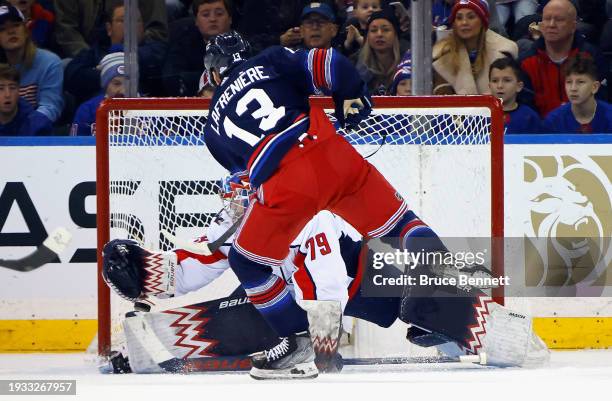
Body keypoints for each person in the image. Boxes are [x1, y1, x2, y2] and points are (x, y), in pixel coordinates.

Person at [201, 31, 548, 379]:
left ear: (215, 74)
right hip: (331, 153)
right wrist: (350, 97)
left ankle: (296, 339)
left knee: (247, 263)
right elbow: (329, 62)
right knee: (401, 223)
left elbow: (248, 176)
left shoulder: (212, 125)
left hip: (286, 187)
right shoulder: (270, 59)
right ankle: (441, 269)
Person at [519, 0, 609, 117]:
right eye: (547, 19)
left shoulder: (592, 56)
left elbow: (602, 101)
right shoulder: (525, 62)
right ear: (540, 25)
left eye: (559, 20)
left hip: (585, 131)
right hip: (540, 132)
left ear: (573, 26)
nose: (551, 24)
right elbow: (524, 108)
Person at [64, 3, 166, 105]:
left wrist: (111, 66)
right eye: (122, 21)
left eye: (136, 21)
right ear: (109, 28)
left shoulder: (154, 51)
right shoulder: (94, 52)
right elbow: (72, 76)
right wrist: (109, 74)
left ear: (142, 27)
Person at [433, 0, 518, 95]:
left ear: (482, 21)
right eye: (459, 18)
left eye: (471, 17)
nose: (464, 22)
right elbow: (442, 95)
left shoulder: (504, 51)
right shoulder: (442, 54)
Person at [0, 3, 63, 123]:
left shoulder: (49, 62)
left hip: (35, 134)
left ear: (26, 30)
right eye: (2, 29)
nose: (11, 32)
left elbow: (50, 107)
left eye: (16, 25)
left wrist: (26, 129)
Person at [162, 0, 232, 96]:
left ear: (230, 19)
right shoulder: (183, 45)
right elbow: (171, 78)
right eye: (206, 15)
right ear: (196, 21)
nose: (212, 19)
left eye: (219, 14)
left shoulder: (244, 45)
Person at [54, 0, 167, 58]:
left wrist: (124, 55)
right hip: (86, 53)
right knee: (65, 67)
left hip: (136, 52)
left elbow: (157, 30)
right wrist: (88, 57)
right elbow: (66, 29)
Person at [544, 55, 612, 133]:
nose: (573, 88)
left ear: (595, 87)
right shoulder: (554, 121)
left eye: (580, 82)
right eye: (569, 82)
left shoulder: (610, 116)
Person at [355, 8, 409, 95]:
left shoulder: (409, 64)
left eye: (386, 30)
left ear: (395, 35)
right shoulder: (354, 64)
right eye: (373, 30)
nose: (379, 34)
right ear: (367, 36)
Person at [70, 52, 125, 136]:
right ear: (105, 85)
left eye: (129, 84)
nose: (122, 90)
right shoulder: (88, 110)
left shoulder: (146, 109)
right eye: (116, 84)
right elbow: (75, 144)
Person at [488, 53, 541, 133]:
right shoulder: (479, 116)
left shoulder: (529, 116)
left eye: (507, 80)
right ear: (489, 86)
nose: (500, 86)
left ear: (519, 86)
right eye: (495, 81)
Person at [0, 62, 51, 135]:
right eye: (1, 88)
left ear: (18, 90)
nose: (7, 94)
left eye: (12, 88)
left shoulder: (38, 125)